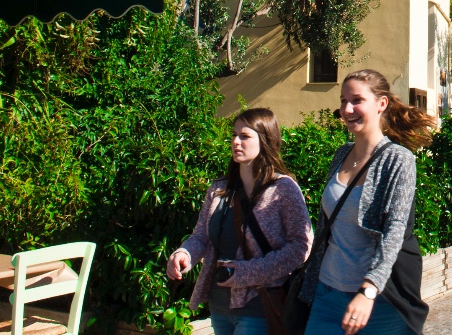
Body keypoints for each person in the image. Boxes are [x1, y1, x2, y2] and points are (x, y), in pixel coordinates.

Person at [301, 69, 436, 335]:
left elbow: (395, 230)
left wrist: (368, 289)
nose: (347, 109)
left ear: (381, 103)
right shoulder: (341, 155)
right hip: (327, 292)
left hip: (379, 301)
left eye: (357, 100)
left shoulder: (398, 159)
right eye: (343, 101)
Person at [168, 109, 313, 335]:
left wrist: (247, 272)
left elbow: (301, 247)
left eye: (245, 136)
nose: (236, 141)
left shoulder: (283, 189)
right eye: (234, 135)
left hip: (259, 304)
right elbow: (201, 236)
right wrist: (185, 254)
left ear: (265, 140)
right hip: (219, 305)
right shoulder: (219, 189)